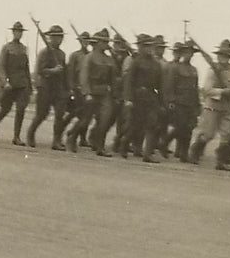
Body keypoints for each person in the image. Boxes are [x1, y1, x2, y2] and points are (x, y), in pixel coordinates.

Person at [189, 40, 230, 169]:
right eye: (222, 55)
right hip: (212, 106)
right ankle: (195, 151)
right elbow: (207, 90)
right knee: (208, 134)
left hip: (226, 106)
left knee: (226, 134)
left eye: (227, 55)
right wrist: (223, 91)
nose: (224, 58)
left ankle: (220, 161)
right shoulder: (213, 70)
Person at [68, 28, 117, 156]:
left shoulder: (109, 59)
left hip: (104, 93)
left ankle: (100, 147)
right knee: (85, 120)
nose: (107, 45)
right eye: (104, 42)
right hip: (92, 92)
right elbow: (84, 76)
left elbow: (113, 78)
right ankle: (72, 138)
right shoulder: (89, 57)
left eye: (107, 42)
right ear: (98, 43)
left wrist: (113, 93)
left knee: (104, 120)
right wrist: (87, 93)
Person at [115, 34, 163, 162]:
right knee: (135, 126)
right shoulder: (136, 62)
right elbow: (129, 82)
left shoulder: (156, 64)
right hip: (137, 97)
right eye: (145, 46)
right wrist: (128, 99)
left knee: (152, 125)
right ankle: (123, 145)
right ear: (140, 47)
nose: (148, 49)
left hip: (151, 97)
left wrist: (162, 102)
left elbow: (160, 84)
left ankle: (147, 154)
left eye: (150, 46)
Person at [0, 22, 32, 144]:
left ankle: (16, 137)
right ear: (13, 32)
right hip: (10, 84)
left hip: (22, 84)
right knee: (5, 109)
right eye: (17, 31)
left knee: (21, 109)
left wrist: (29, 86)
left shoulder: (23, 49)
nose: (19, 33)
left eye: (21, 31)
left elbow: (26, 68)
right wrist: (4, 81)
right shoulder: (6, 48)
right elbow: (1, 67)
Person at [25, 26, 67, 149]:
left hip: (58, 88)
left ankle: (56, 141)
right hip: (45, 87)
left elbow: (64, 72)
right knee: (42, 114)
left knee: (60, 114)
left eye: (60, 37)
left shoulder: (61, 54)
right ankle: (30, 134)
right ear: (50, 38)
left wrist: (66, 88)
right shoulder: (44, 52)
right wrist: (53, 70)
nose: (58, 39)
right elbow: (40, 70)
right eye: (55, 37)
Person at [161, 41, 201, 162]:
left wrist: (198, 104)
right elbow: (170, 86)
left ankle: (184, 154)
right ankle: (165, 143)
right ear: (183, 53)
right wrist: (171, 100)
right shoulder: (175, 68)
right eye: (187, 52)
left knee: (189, 128)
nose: (189, 55)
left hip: (191, 103)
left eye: (191, 53)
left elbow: (195, 88)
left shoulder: (194, 70)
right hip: (179, 102)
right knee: (180, 127)